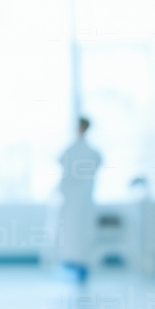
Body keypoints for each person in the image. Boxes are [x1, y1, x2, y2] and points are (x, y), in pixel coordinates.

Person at [55, 117, 102, 282]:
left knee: (78, 233)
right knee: (73, 233)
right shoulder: (83, 151)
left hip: (80, 201)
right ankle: (72, 265)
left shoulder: (82, 152)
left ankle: (79, 266)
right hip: (76, 200)